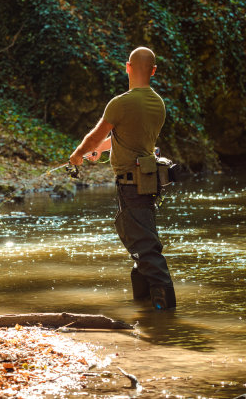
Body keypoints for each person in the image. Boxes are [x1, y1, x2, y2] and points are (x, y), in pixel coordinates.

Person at [69, 46, 176, 310]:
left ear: (127, 67)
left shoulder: (120, 103)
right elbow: (126, 138)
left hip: (131, 185)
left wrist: (78, 154)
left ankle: (166, 315)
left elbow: (96, 136)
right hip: (147, 183)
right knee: (141, 248)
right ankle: (147, 311)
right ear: (153, 71)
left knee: (145, 249)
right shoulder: (157, 103)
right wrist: (98, 149)